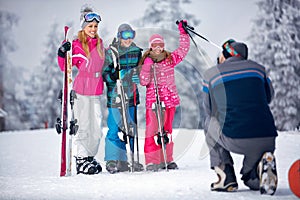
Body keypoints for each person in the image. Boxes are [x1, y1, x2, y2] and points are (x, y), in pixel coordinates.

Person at [202, 39, 278, 195]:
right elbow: (269, 97)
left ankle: (225, 175)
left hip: (234, 138)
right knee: (251, 179)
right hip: (267, 137)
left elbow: (209, 109)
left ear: (225, 55)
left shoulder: (211, 74)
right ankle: (259, 169)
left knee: (209, 122)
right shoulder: (259, 70)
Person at [57, 7, 104, 175]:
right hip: (81, 89)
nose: (93, 29)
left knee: (96, 128)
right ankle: (81, 159)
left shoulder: (99, 43)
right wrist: (62, 53)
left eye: (95, 27)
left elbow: (102, 65)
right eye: (90, 26)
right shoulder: (76, 44)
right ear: (83, 27)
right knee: (82, 125)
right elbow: (65, 68)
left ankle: (90, 156)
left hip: (96, 89)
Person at [138, 20, 190, 171]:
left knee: (166, 131)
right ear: (151, 47)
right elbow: (143, 82)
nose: (158, 48)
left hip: (169, 101)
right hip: (154, 102)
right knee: (152, 131)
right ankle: (152, 161)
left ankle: (167, 159)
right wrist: (146, 68)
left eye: (160, 45)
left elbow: (183, 50)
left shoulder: (169, 59)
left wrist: (183, 33)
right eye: (155, 45)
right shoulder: (147, 61)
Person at [102, 23, 143, 174]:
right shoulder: (111, 52)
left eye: (131, 35)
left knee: (130, 127)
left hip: (131, 95)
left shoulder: (137, 52)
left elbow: (141, 71)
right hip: (115, 95)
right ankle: (113, 159)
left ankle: (130, 158)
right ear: (119, 36)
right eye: (125, 35)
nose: (128, 39)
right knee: (114, 127)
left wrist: (139, 77)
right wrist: (113, 75)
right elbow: (104, 74)